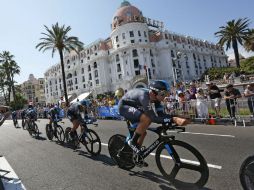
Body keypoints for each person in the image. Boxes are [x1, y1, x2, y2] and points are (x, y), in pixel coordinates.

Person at [118, 80, 189, 157]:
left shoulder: (156, 99)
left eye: (166, 93)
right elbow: (153, 118)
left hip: (135, 107)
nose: (165, 96)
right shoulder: (144, 96)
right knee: (147, 119)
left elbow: (161, 115)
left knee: (143, 132)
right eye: (163, 94)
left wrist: (177, 117)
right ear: (153, 93)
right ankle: (132, 142)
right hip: (123, 106)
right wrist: (174, 119)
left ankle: (136, 154)